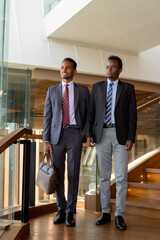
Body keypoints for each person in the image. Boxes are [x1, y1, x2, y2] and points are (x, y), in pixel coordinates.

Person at [86, 55, 137, 230]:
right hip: (102, 135)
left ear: (120, 69)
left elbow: (132, 115)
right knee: (104, 177)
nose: (109, 69)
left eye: (113, 67)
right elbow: (91, 113)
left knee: (122, 177)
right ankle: (105, 212)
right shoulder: (97, 87)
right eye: (107, 66)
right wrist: (90, 134)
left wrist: (131, 137)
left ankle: (119, 215)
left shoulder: (128, 88)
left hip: (121, 136)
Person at [43, 57, 89, 227]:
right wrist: (46, 140)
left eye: (68, 68)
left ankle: (71, 211)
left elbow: (87, 114)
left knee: (73, 173)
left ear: (74, 71)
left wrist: (84, 131)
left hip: (75, 134)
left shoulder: (83, 91)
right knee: (58, 174)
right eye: (62, 67)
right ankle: (61, 209)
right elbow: (47, 117)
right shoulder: (52, 90)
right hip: (57, 136)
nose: (64, 70)